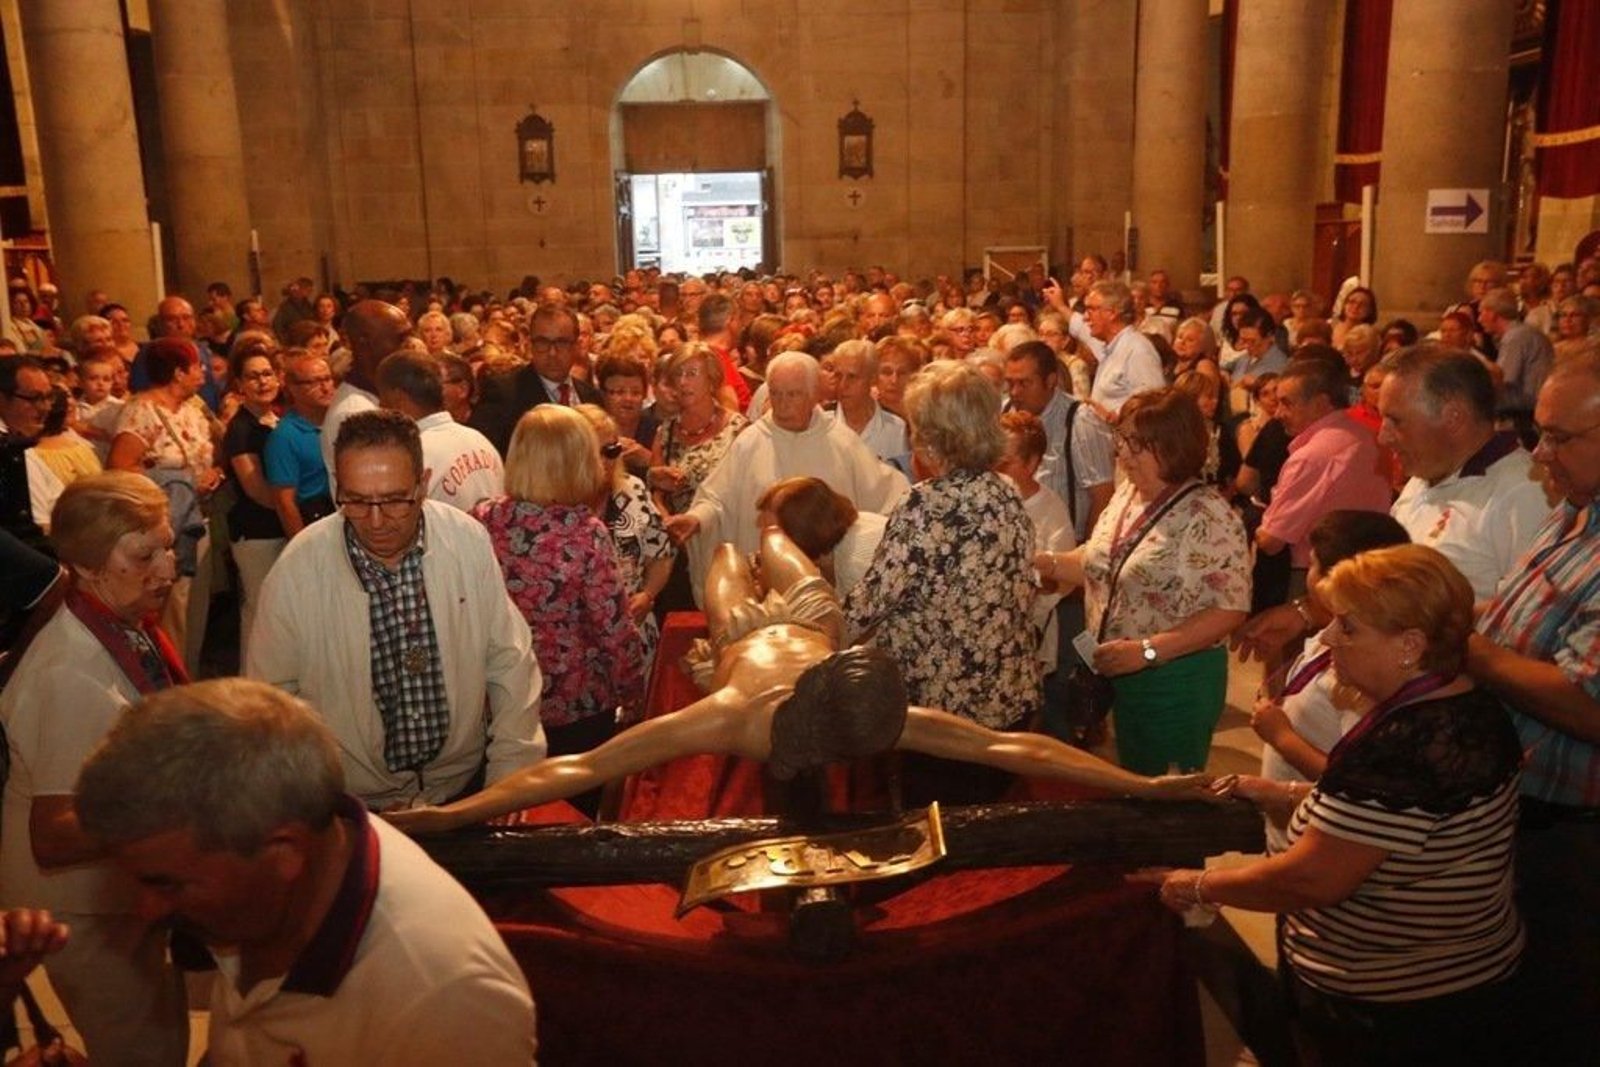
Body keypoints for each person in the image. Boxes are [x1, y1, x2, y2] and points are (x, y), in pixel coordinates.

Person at [387, 528, 1212, 834]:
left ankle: (754, 560)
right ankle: (765, 551)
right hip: (805, 623)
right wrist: (1147, 786)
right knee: (757, 537)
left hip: (753, 635)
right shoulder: (764, 710)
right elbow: (575, 769)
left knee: (729, 558)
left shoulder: (767, 713)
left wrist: (449, 813)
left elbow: (1014, 743)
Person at [1139, 545, 1524, 1066]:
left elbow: (1313, 878)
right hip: (1456, 979)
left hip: (1392, 1002)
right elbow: (1388, 823)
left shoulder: (1406, 743)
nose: (1328, 639)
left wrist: (1199, 885)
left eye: (1349, 629)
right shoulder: (1465, 704)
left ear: (1410, 645)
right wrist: (1280, 793)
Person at [74, 678, 537, 1063]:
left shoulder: (445, 1001)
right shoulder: (268, 888)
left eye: (167, 883)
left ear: (284, 852)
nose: (148, 910)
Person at [247, 410, 545, 809]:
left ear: (422, 485)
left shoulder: (466, 540)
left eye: (393, 501)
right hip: (357, 808)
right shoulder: (297, 569)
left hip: (462, 792)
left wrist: (509, 780)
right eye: (355, 500)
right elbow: (269, 703)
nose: (374, 521)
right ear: (338, 485)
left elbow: (511, 661)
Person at [1, 473, 189, 1063]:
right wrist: (191, 811)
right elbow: (55, 833)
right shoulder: (69, 670)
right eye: (144, 554)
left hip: (119, 900)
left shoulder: (119, 623)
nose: (167, 569)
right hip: (81, 912)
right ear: (84, 566)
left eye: (168, 546)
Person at [1467, 350, 1600, 1062]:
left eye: (1559, 436)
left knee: (1562, 1011)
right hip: (1526, 814)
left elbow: (1588, 702)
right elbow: (1524, 616)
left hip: (1575, 841)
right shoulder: (1578, 510)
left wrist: (1468, 648)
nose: (1539, 452)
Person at [844, 361, 1038, 803]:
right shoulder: (1006, 489)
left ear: (931, 436)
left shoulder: (924, 504)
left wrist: (815, 633)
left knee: (937, 839)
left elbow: (870, 603)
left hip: (944, 716)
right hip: (1006, 696)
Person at [1036, 388, 1250, 774]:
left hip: (1174, 678)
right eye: (1123, 440)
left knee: (1164, 794)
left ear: (1175, 446)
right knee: (1132, 778)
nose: (1124, 454)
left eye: (1139, 444)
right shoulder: (1129, 494)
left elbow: (1230, 608)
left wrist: (1149, 651)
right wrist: (1046, 563)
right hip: (1122, 670)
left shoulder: (1208, 514)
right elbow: (1102, 562)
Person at [473, 405, 643, 814]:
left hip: (499, 698)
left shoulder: (481, 518)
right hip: (577, 706)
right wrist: (634, 687)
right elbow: (613, 628)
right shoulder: (585, 534)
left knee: (504, 815)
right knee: (570, 824)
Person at [669, 351, 907, 601]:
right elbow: (717, 499)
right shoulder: (751, 441)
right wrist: (696, 519)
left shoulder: (842, 442)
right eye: (775, 393)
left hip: (827, 588)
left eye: (792, 394)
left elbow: (888, 493)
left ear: (814, 394)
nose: (781, 403)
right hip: (765, 589)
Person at [1249, 510, 1410, 852]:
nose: (1309, 576)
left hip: (1318, 843)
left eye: (1314, 566)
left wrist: (1281, 736)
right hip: (1289, 829)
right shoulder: (1337, 630)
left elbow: (1359, 786)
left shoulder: (1362, 669)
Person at [107, 337, 222, 670]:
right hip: (165, 527)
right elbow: (119, 467)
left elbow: (206, 452)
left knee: (195, 609)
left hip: (198, 518)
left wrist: (212, 472)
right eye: (196, 365)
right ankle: (169, 684)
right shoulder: (142, 411)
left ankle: (190, 675)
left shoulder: (193, 407)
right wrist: (176, 480)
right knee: (172, 611)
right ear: (177, 372)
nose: (203, 371)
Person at [1256, 358, 1392, 601]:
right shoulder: (1371, 438)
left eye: (1287, 404)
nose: (1278, 414)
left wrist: (1251, 523)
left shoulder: (1313, 457)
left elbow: (1271, 541)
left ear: (1320, 404)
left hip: (1318, 580)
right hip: (1370, 573)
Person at [576, 404, 674, 677]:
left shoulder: (633, 489)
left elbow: (662, 554)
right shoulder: (555, 503)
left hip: (636, 636)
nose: (605, 461)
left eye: (612, 451)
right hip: (579, 650)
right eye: (592, 453)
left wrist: (648, 594)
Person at [221, 342, 286, 662]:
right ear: (240, 385)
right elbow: (255, 488)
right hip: (257, 533)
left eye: (267, 374)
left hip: (282, 527)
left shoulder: (280, 420)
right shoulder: (240, 429)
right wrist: (294, 510)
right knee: (260, 610)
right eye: (253, 377)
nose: (262, 382)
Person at [375, 349, 504, 512]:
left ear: (398, 398)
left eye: (382, 396)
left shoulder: (411, 457)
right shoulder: (481, 441)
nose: (379, 405)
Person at [470, 305, 602, 456]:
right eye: (542, 342)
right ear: (530, 345)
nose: (552, 352)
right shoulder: (504, 393)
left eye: (561, 343)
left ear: (575, 346)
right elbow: (484, 456)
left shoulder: (591, 397)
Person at [321, 299, 411, 491]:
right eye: (400, 338)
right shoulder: (355, 413)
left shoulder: (380, 395)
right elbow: (375, 495)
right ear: (364, 343)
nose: (410, 346)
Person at [755, 475, 887, 598]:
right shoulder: (838, 540)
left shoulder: (855, 567)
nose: (768, 550)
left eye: (775, 540)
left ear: (802, 536)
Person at [264, 349, 337, 538]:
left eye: (328, 379)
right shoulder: (284, 437)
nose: (325, 387)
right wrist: (301, 545)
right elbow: (284, 501)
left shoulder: (339, 421)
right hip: (315, 520)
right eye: (314, 382)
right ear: (292, 389)